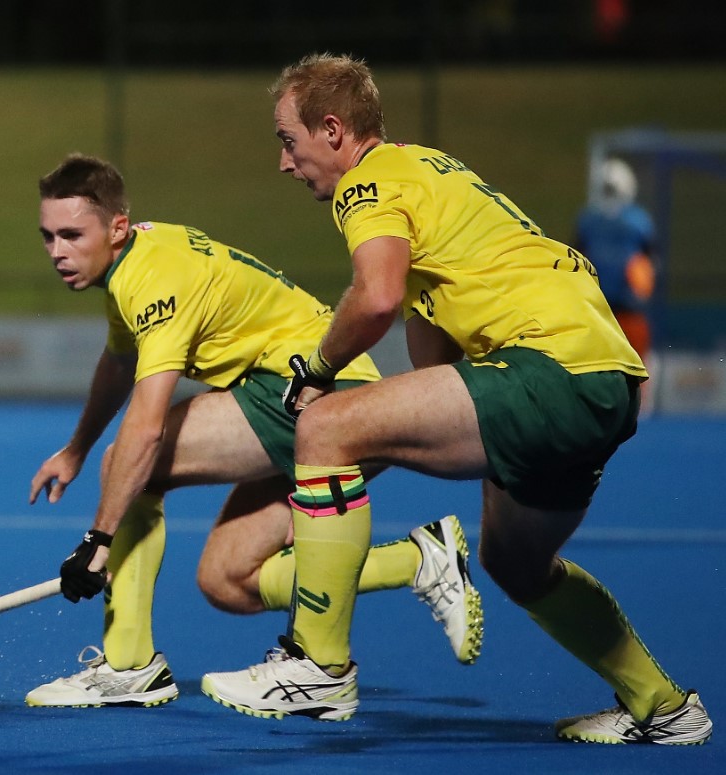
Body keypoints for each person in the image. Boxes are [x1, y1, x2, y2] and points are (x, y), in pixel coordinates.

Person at [201, 53, 712, 745]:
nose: (285, 164)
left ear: (331, 129)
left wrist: (316, 367)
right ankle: (663, 707)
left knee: (322, 426)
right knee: (515, 562)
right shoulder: (429, 171)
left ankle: (315, 667)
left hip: (546, 366)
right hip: (604, 379)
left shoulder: (367, 184)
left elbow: (375, 296)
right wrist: (352, 473)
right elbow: (427, 347)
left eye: (288, 142)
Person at [25, 153, 483, 708]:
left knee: (131, 460)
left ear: (117, 227)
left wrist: (97, 542)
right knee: (228, 580)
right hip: (311, 394)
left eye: (72, 235)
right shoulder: (131, 265)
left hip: (313, 391)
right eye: (48, 237)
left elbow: (145, 432)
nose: (57, 252)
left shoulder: (152, 281)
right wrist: (75, 449)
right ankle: (419, 561)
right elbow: (120, 363)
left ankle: (128, 665)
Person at [575, 158, 658, 411]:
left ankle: (636, 405)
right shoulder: (593, 219)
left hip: (619, 304)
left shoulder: (632, 220)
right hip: (603, 304)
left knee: (631, 358)